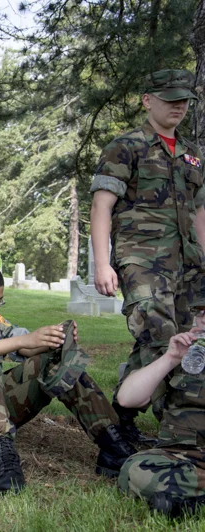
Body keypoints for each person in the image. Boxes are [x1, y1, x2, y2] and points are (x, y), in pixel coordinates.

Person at [0, 260, 134, 493]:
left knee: (51, 361)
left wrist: (54, 337)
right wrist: (24, 341)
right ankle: (5, 459)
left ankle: (112, 443)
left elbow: (27, 345)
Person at [90, 69, 205, 445]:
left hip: (189, 265)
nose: (178, 105)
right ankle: (179, 428)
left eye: (184, 99)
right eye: (170, 98)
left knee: (180, 341)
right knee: (160, 336)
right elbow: (101, 206)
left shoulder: (192, 155)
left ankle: (120, 417)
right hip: (142, 262)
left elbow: (200, 213)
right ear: (147, 99)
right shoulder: (127, 146)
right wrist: (103, 263)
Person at [117, 331, 205, 517]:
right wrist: (171, 357)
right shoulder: (183, 355)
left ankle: (188, 504)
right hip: (183, 458)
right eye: (199, 312)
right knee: (134, 469)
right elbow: (127, 398)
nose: (203, 319)